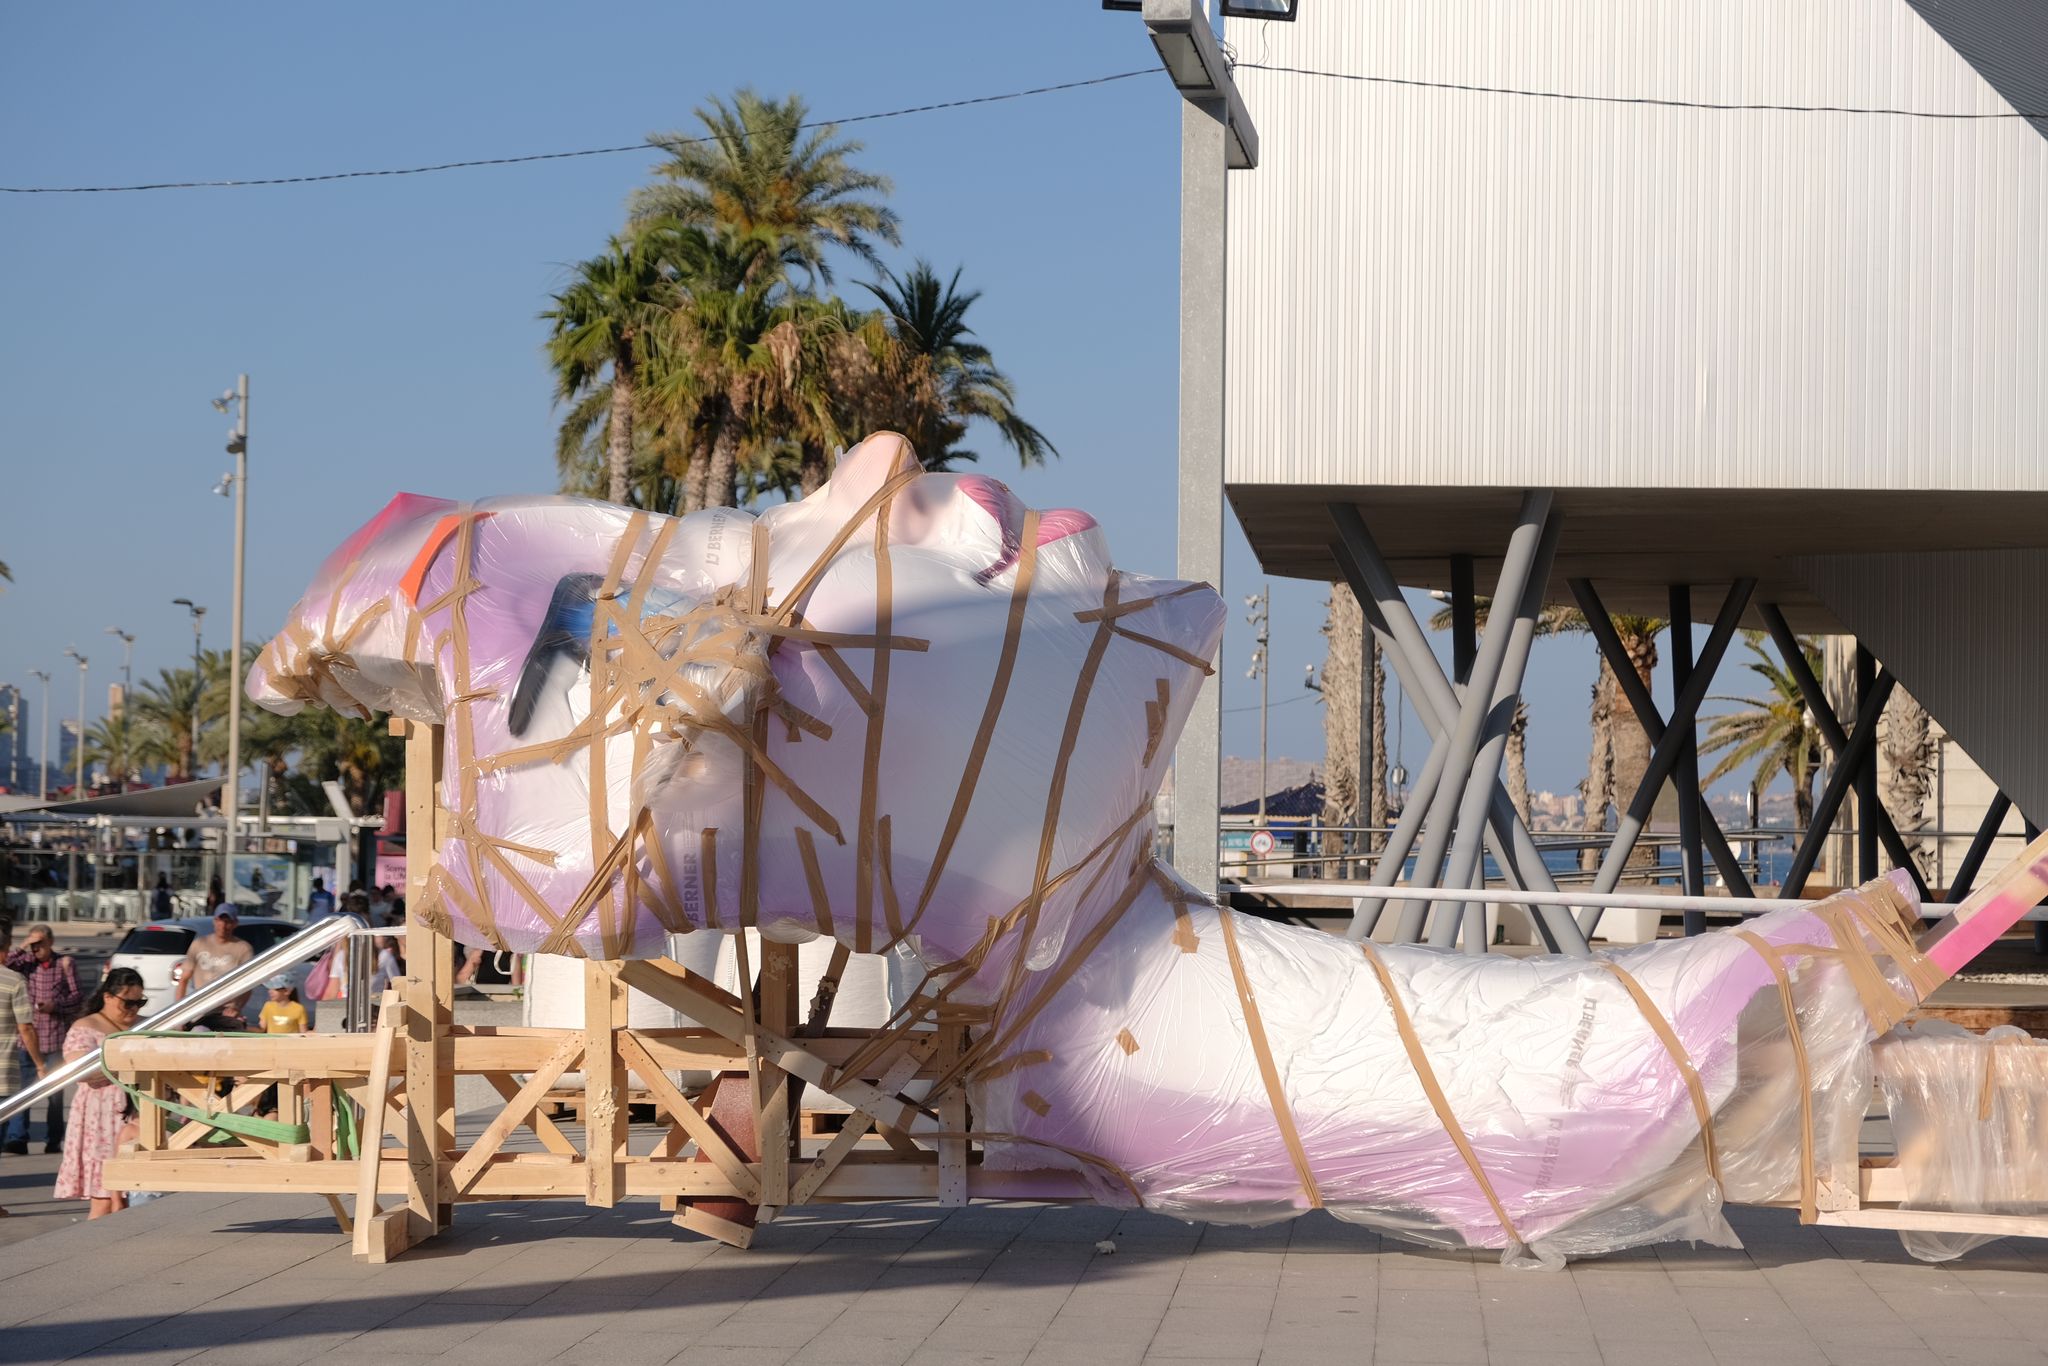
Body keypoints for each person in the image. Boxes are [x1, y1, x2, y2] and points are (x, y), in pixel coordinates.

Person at [54, 966, 146, 1220]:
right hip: (100, 1118)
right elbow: (79, 1071)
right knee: (104, 1199)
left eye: (140, 1002)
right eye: (128, 1003)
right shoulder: (86, 1027)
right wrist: (127, 1065)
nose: (134, 1009)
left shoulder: (145, 1025)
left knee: (132, 1196)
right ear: (108, 997)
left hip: (135, 1113)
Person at [3, 924, 82, 1154]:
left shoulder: (64, 965)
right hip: (28, 1040)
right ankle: (18, 1138)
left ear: (50, 943)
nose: (36, 949)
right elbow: (5, 965)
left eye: (40, 944)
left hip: (55, 1038)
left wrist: (55, 1006)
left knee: (55, 1095)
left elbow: (77, 997)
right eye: (33, 944)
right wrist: (24, 945)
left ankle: (53, 1139)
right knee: (21, 1093)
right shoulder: (25, 964)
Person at [0, 919, 47, 1212]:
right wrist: (40, 1063)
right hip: (3, 1074)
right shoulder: (13, 980)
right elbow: (26, 1028)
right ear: (4, 951)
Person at [177, 910, 254, 1014]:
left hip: (227, 1010)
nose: (223, 925)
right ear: (214, 921)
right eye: (220, 921)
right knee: (199, 1030)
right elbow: (183, 980)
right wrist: (179, 1011)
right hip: (200, 1007)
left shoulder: (243, 948)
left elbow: (248, 983)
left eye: (227, 922)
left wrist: (236, 1008)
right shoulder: (199, 944)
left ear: (235, 924)